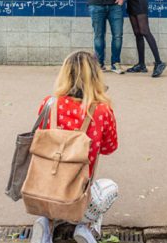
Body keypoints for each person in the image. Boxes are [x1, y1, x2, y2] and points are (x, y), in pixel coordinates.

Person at [30, 51, 119, 243]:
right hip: (78, 196)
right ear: (95, 77)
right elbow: (109, 148)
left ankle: (46, 224)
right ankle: (85, 227)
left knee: (53, 187)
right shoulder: (102, 110)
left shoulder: (50, 104)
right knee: (110, 188)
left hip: (43, 189)